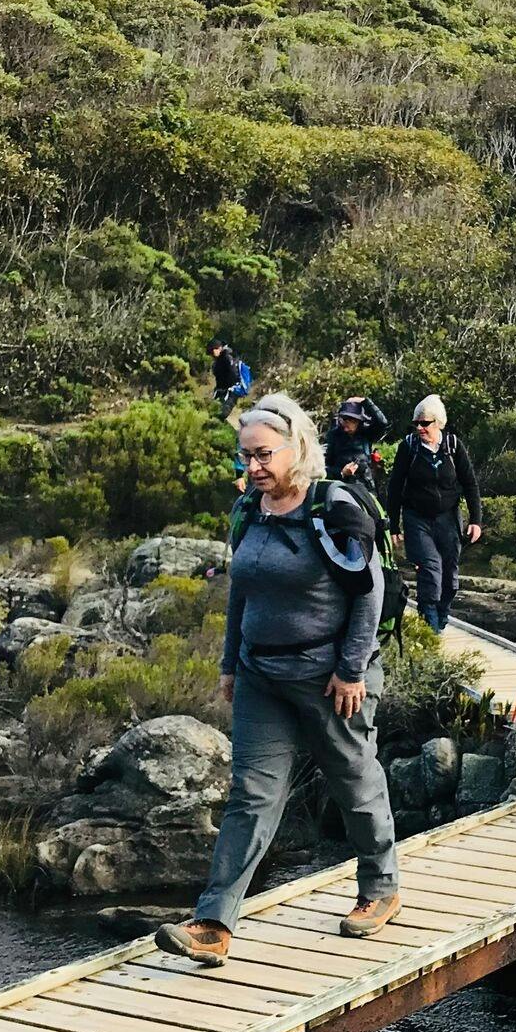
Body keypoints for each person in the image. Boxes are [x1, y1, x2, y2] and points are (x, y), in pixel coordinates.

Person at [159, 393, 400, 964]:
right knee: (250, 795)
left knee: (353, 779)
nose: (253, 467)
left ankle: (381, 889)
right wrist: (229, 664)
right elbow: (240, 591)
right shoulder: (249, 510)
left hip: (329, 678)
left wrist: (349, 672)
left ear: (298, 447)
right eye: (245, 457)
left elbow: (369, 596)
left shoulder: (333, 507)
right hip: (261, 675)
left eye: (263, 455)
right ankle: (214, 924)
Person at [386, 393, 482, 633]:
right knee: (430, 568)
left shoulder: (453, 446)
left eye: (425, 423)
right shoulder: (408, 447)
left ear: (439, 422)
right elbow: (395, 486)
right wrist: (394, 526)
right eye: (416, 423)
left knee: (450, 575)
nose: (420, 428)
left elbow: (470, 483)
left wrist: (476, 520)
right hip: (417, 518)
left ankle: (442, 614)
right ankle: (430, 626)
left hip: (448, 517)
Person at [325, 396, 388, 488]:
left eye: (350, 422)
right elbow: (325, 467)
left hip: (365, 486)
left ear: (357, 422)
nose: (345, 427)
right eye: (343, 420)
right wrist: (342, 472)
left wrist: (366, 402)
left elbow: (382, 423)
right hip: (341, 487)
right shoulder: (334, 436)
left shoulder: (366, 434)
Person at [209, 342, 252, 416]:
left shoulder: (229, 360)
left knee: (221, 414)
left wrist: (233, 388)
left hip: (231, 392)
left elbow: (234, 376)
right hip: (223, 391)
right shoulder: (219, 362)